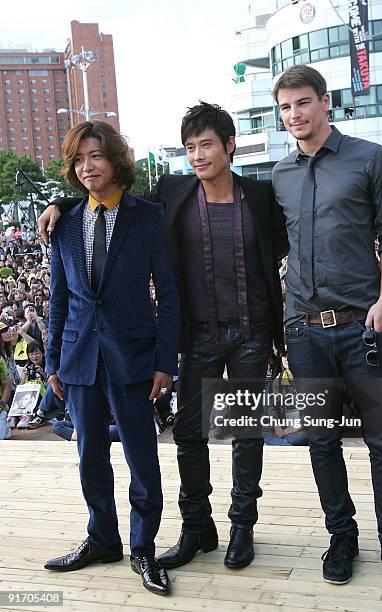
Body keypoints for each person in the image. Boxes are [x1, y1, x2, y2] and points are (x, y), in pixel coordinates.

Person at [38, 102, 288, 571]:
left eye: (207, 145)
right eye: (190, 147)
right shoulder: (172, 192)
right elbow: (108, 198)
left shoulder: (261, 194)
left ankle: (242, 527)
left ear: (230, 147)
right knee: (189, 436)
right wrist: (61, 203)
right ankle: (198, 529)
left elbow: (283, 245)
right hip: (197, 335)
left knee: (245, 434)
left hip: (253, 332)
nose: (198, 155)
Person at [271, 64, 382, 592]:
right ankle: (341, 536)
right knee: (321, 443)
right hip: (307, 333)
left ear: (325, 102)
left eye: (302, 103)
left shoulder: (369, 157)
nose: (293, 115)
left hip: (363, 328)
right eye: (285, 107)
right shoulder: (279, 175)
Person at [42, 120, 180, 597]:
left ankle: (144, 548)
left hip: (135, 358)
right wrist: (53, 362)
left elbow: (169, 293)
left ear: (116, 160)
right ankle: (103, 538)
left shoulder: (147, 218)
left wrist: (166, 360)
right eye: (78, 160)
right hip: (79, 360)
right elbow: (59, 300)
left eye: (95, 156)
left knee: (143, 460)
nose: (86, 167)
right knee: (89, 458)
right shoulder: (63, 223)